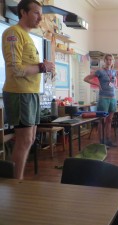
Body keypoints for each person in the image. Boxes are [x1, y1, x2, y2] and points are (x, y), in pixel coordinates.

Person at [2, 0, 55, 179]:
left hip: (30, 93)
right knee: (24, 140)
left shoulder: (27, 36)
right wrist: (42, 67)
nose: (40, 17)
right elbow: (15, 69)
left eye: (40, 13)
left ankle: (18, 181)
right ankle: (17, 183)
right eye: (36, 13)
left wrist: (44, 67)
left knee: (30, 139)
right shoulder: (13, 33)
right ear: (23, 12)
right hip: (19, 93)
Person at [84, 53, 117, 147]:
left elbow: (113, 83)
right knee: (102, 120)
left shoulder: (114, 72)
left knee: (109, 120)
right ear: (104, 61)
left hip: (113, 98)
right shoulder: (100, 71)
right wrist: (97, 85)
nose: (109, 61)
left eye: (111, 60)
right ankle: (101, 142)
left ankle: (108, 140)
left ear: (112, 61)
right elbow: (86, 78)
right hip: (103, 98)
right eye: (107, 60)